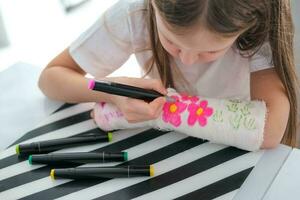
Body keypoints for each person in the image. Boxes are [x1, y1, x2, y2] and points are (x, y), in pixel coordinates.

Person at [38, 0, 299, 150]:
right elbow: (51, 77)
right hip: (166, 151)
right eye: (172, 41)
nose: (185, 58)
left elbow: (269, 129)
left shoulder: (259, 31)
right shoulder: (136, 13)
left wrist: (165, 113)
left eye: (210, 50)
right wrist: (111, 90)